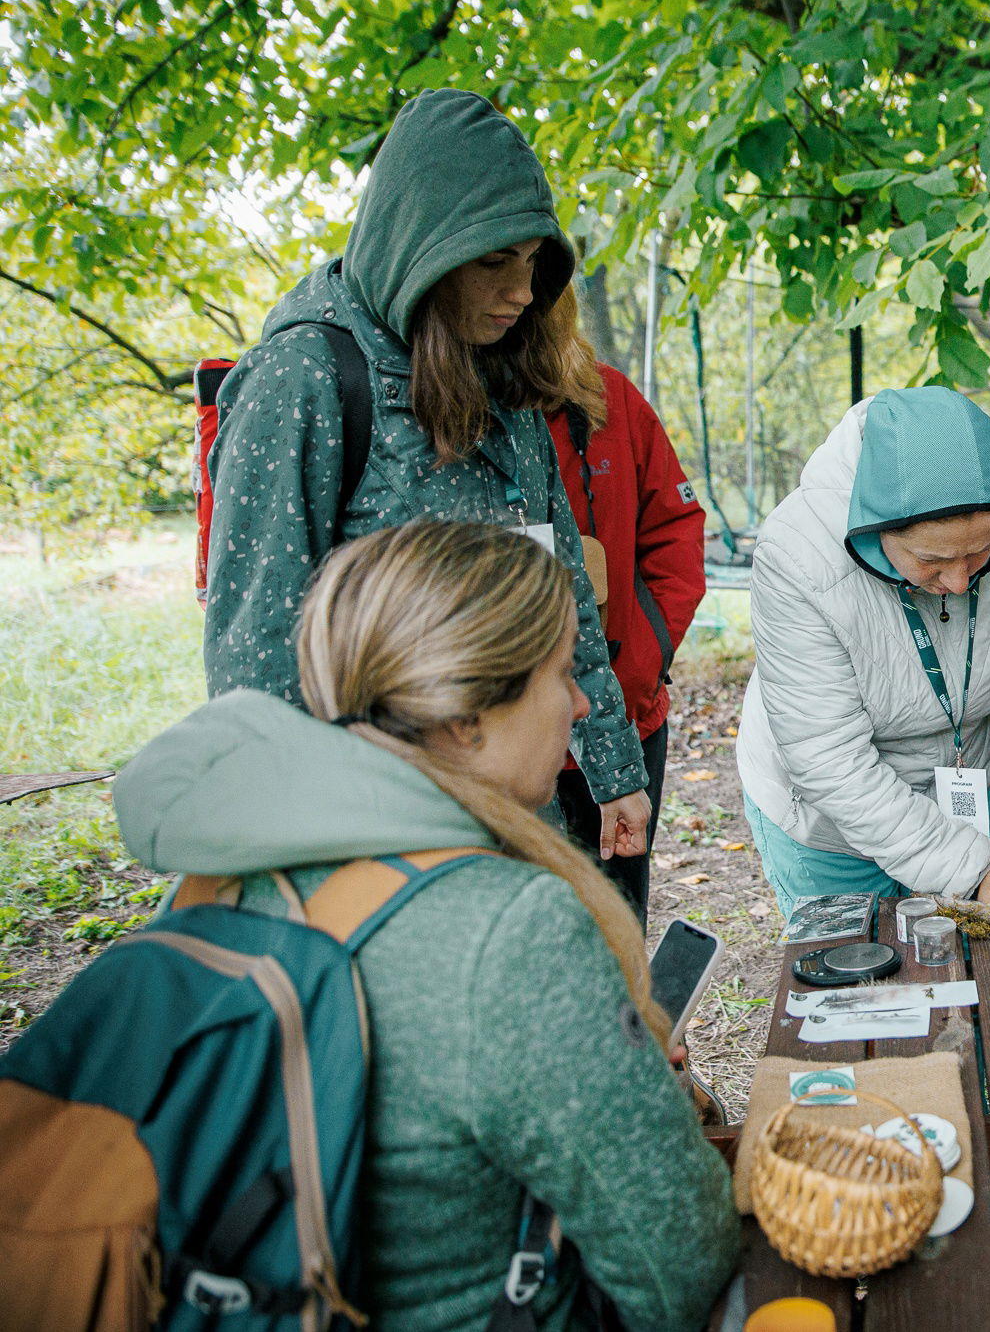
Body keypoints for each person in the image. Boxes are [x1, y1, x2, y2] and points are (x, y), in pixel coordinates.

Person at [114, 521, 739, 1330]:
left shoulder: (214, 875)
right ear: (467, 716)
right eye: (561, 673)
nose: (583, 702)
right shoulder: (511, 930)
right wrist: (647, 1100)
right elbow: (681, 1258)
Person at [202, 88, 651, 867]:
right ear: (421, 246)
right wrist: (294, 866)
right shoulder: (302, 380)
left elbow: (557, 585)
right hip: (373, 836)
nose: (521, 292)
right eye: (493, 262)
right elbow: (254, 656)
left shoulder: (499, 373)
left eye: (532, 263)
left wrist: (614, 768)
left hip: (514, 818)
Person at [736, 386, 990, 929]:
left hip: (958, 796)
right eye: (932, 560)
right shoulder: (797, 555)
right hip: (832, 828)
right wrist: (978, 871)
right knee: (857, 970)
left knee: (967, 963)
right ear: (876, 530)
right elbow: (829, 759)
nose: (959, 581)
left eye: (981, 552)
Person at [543, 289, 708, 921]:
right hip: (504, 737)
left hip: (624, 712)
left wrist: (642, 659)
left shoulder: (608, 398)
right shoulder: (450, 410)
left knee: (616, 915)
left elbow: (675, 530)